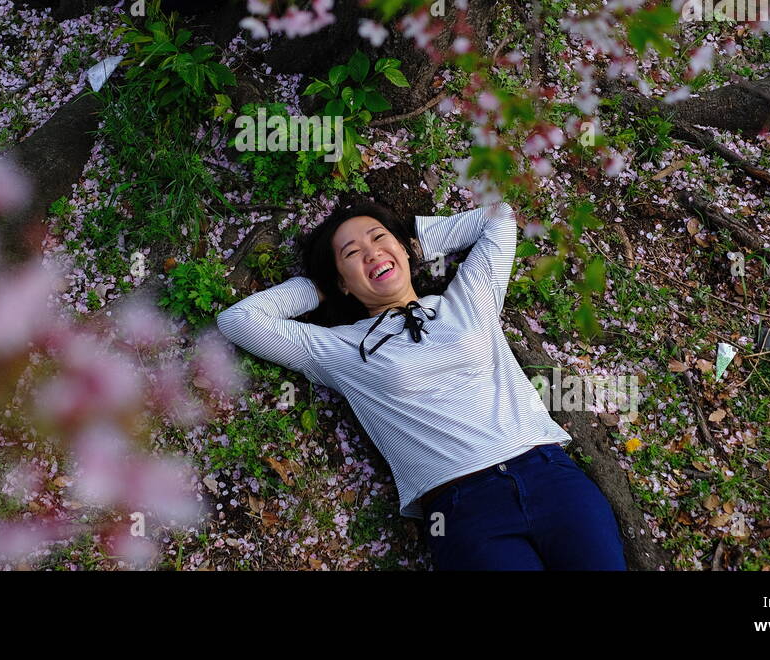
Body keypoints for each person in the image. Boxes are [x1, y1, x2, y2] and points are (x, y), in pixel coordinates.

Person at [215, 196, 627, 570]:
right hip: (461, 509)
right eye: (352, 254)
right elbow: (239, 322)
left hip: (550, 476)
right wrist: (317, 287)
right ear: (342, 281)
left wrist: (418, 242)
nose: (372, 253)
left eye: (379, 238)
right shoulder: (339, 348)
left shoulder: (469, 298)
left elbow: (499, 215)